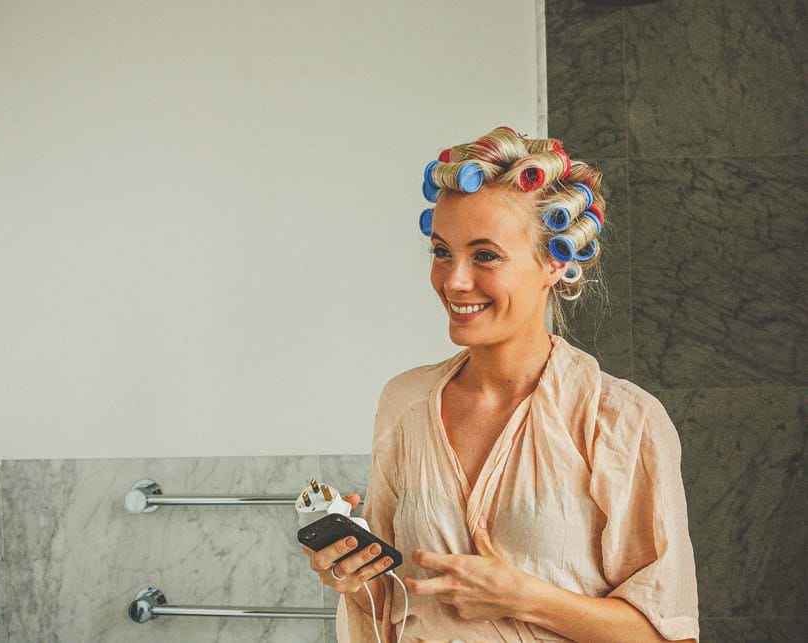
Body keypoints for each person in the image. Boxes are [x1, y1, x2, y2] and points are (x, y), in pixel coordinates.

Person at [300, 126, 700, 642]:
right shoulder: (404, 402)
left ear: (555, 261)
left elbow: (669, 636)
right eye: (442, 252)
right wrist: (356, 581)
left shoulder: (621, 420)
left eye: (485, 255)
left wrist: (523, 597)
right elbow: (395, 607)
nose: (454, 280)